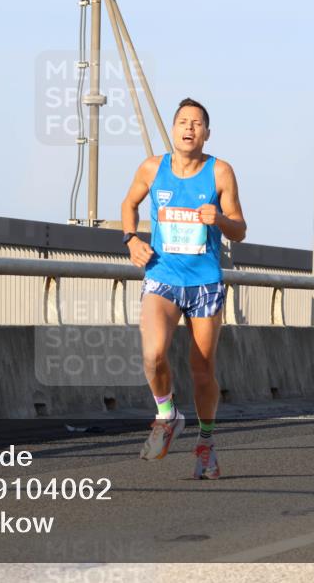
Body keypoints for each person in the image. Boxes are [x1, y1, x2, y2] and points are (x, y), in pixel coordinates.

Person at [120, 98, 247, 479]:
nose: (189, 128)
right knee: (152, 355)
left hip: (205, 283)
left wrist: (220, 219)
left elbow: (240, 230)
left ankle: (206, 444)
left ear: (207, 133)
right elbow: (129, 204)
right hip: (162, 277)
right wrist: (131, 240)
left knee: (202, 368)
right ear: (173, 130)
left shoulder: (220, 172)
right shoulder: (151, 168)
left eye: (196, 123)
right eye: (182, 122)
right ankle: (166, 415)